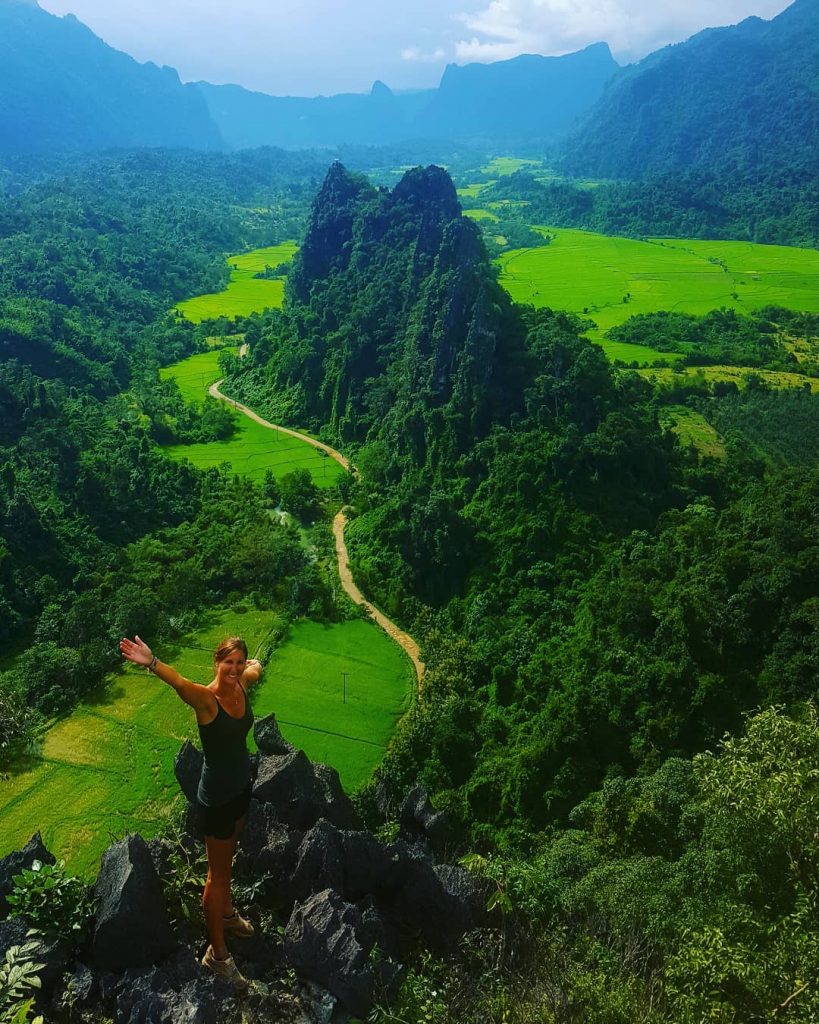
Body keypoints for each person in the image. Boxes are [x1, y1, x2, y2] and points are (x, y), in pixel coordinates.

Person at [119, 633, 262, 991]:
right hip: (216, 799)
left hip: (241, 788)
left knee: (229, 863)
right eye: (227, 662)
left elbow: (256, 671)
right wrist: (152, 663)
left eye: (238, 662)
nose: (233, 669)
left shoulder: (242, 684)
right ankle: (217, 955)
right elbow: (179, 683)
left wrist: (256, 666)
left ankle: (228, 915)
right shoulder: (207, 700)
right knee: (217, 875)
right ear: (216, 662)